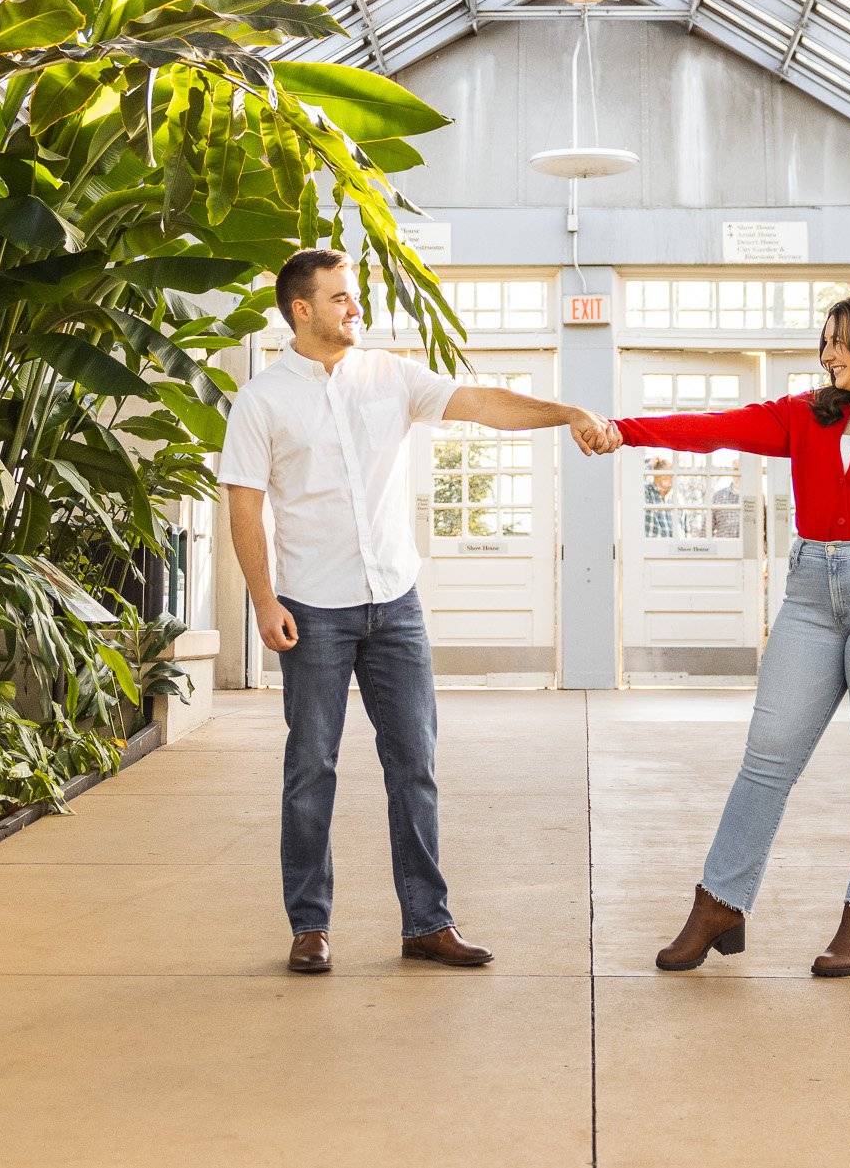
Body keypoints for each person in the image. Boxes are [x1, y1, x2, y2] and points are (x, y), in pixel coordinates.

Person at [220, 248, 615, 976]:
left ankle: (427, 921)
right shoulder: (263, 399)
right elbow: (243, 503)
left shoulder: (390, 374)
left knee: (416, 763)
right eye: (340, 298)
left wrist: (566, 412)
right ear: (301, 309)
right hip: (313, 608)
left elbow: (484, 404)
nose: (354, 307)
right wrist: (263, 598)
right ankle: (310, 926)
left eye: (354, 296)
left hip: (394, 604)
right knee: (311, 767)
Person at [588, 291, 850, 977]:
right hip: (809, 592)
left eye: (839, 342)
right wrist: (625, 430)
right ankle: (719, 902)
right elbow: (715, 427)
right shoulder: (809, 413)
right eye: (824, 341)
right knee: (766, 754)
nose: (826, 354)